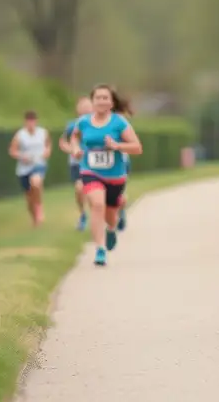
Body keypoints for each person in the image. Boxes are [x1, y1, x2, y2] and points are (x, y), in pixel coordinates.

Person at [69, 84, 142, 266]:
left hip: (115, 176)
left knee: (110, 215)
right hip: (90, 171)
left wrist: (118, 146)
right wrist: (76, 149)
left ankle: (111, 229)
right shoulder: (84, 121)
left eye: (105, 98)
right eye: (98, 98)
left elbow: (137, 147)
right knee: (97, 204)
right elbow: (74, 137)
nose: (101, 101)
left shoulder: (119, 123)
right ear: (92, 101)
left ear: (111, 102)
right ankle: (100, 249)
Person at [9, 110, 53, 227]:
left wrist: (47, 152)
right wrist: (22, 156)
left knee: (36, 182)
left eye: (33, 121)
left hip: (39, 164)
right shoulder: (20, 135)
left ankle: (39, 207)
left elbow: (48, 145)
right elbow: (12, 151)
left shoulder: (43, 132)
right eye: (28, 121)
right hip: (24, 169)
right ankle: (35, 219)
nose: (31, 124)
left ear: (36, 122)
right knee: (29, 199)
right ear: (25, 122)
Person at [60, 96, 93, 231]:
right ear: (77, 110)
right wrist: (71, 149)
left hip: (94, 164)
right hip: (77, 164)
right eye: (82, 106)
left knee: (94, 193)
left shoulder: (99, 124)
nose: (85, 109)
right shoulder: (72, 126)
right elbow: (63, 142)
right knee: (79, 189)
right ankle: (83, 215)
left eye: (87, 106)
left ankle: (100, 218)